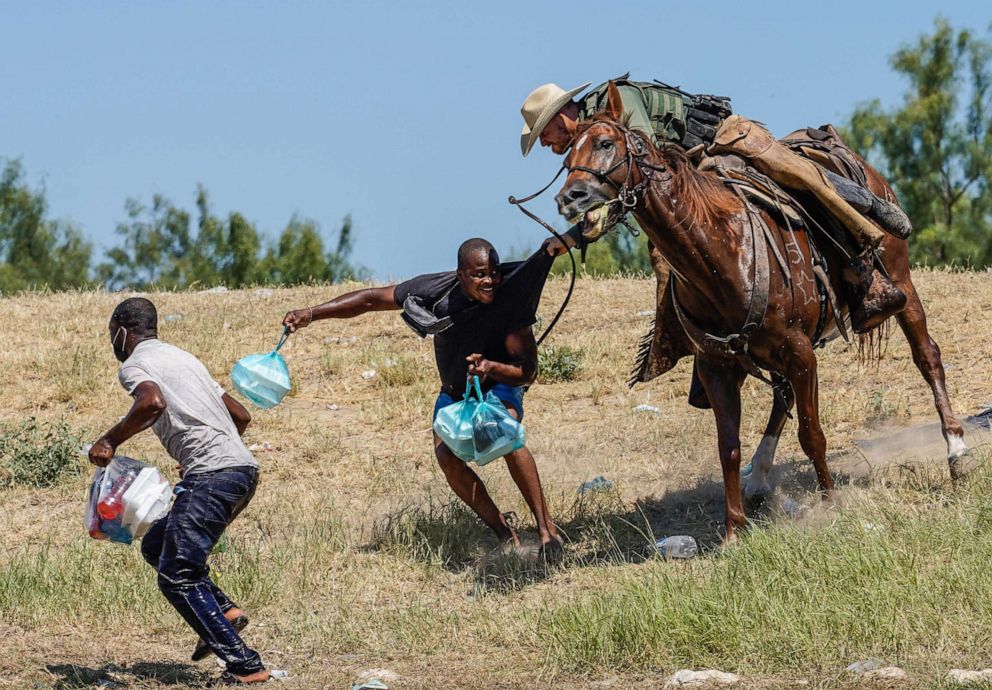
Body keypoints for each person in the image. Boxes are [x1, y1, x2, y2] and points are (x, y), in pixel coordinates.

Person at [519, 75, 913, 335]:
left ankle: (865, 252)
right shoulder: (590, 145)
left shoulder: (614, 103)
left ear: (561, 116)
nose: (545, 145)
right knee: (667, 256)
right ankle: (692, 338)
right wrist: (575, 234)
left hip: (722, 142)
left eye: (544, 133)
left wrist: (578, 232)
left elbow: (643, 166)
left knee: (796, 178)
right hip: (689, 177)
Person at [283, 239, 563, 557]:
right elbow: (371, 300)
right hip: (455, 393)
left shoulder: (510, 301)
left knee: (504, 434)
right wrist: (312, 313)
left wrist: (490, 367)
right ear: (461, 274)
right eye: (480, 274)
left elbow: (527, 372)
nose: (490, 281)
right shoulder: (434, 290)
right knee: (447, 458)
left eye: (495, 273)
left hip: (498, 385)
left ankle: (546, 533)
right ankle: (505, 534)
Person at [89, 297, 272, 686]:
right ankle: (222, 612)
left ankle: (245, 666)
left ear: (122, 330)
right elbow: (240, 415)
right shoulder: (184, 358)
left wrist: (110, 440)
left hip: (213, 474)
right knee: (156, 545)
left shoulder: (135, 364)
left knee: (177, 575)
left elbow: (151, 402)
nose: (112, 343)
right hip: (242, 470)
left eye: (111, 334)